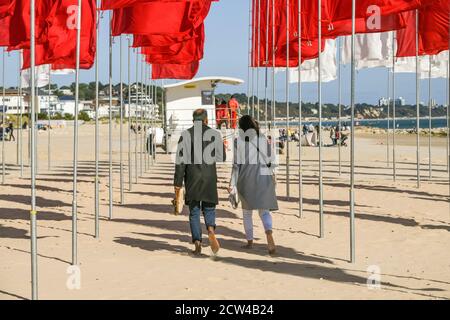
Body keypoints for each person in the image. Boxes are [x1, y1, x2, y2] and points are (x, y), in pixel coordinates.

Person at [174, 108, 226, 256]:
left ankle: (197, 241)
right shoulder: (214, 134)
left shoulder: (185, 135)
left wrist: (177, 183)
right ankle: (210, 229)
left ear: (193, 120)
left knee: (194, 211)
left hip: (192, 178)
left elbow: (180, 163)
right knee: (209, 208)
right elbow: (221, 157)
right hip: (209, 177)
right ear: (206, 120)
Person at [229, 115, 278, 255]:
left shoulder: (238, 142)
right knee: (264, 211)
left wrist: (232, 183)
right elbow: (272, 160)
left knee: (247, 213)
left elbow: (236, 165)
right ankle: (269, 233)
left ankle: (250, 242)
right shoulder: (263, 139)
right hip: (264, 178)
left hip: (246, 180)